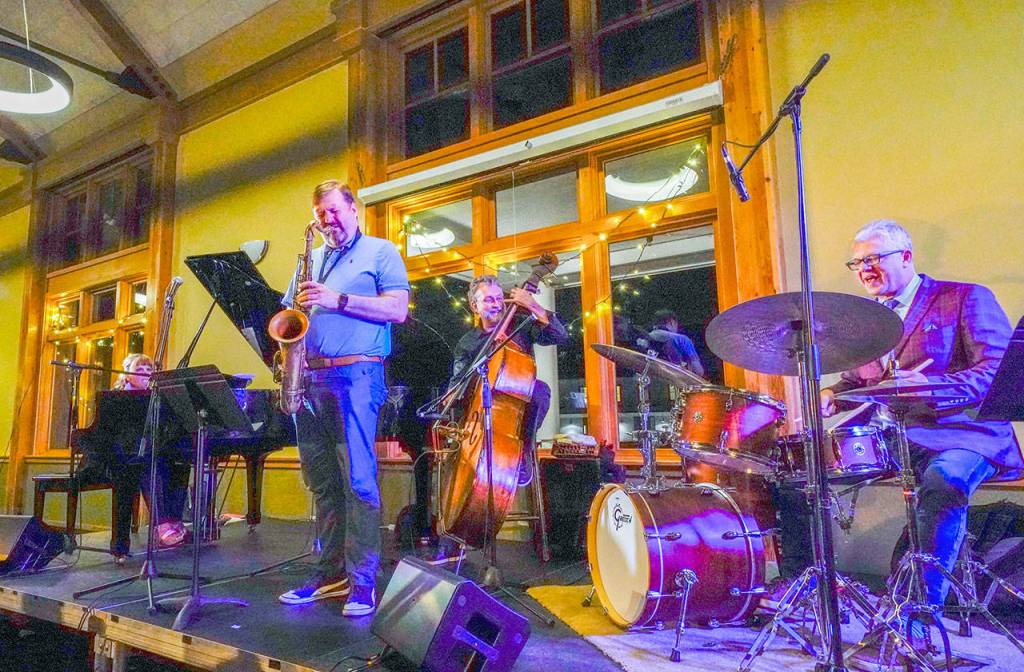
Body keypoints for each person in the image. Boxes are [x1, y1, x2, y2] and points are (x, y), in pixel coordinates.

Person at [773, 220, 1022, 614]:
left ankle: (919, 614)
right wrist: (831, 395)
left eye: (874, 258)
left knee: (944, 482)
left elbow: (995, 372)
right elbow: (860, 379)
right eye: (857, 263)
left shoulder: (964, 297)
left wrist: (927, 386)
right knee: (795, 476)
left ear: (906, 256)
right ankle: (809, 589)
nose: (865, 269)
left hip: (966, 433)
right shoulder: (872, 321)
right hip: (899, 437)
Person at [277, 181, 409, 617]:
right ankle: (329, 573)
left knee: (359, 481)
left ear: (353, 209)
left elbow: (397, 311)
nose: (326, 220)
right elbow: (288, 316)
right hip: (310, 379)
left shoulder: (381, 251)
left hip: (358, 374)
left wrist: (339, 299)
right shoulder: (310, 259)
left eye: (333, 211)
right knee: (322, 484)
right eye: (320, 213)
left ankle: (364, 581)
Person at [451, 274, 570, 488]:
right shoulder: (466, 342)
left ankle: (524, 450)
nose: (497, 304)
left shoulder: (521, 327)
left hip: (516, 412)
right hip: (481, 412)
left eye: (499, 299)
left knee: (540, 390)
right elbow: (458, 382)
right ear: (474, 305)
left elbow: (560, 336)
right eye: (489, 300)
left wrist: (532, 304)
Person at [76, 353, 191, 561]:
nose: (146, 375)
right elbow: (102, 435)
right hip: (115, 458)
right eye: (140, 371)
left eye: (149, 371)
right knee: (146, 465)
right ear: (127, 376)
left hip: (144, 455)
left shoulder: (157, 400)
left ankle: (173, 521)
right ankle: (160, 527)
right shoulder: (114, 398)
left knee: (180, 463)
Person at [648, 309, 705, 378]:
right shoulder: (682, 339)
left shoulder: (646, 338)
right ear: (672, 322)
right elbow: (698, 371)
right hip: (677, 382)